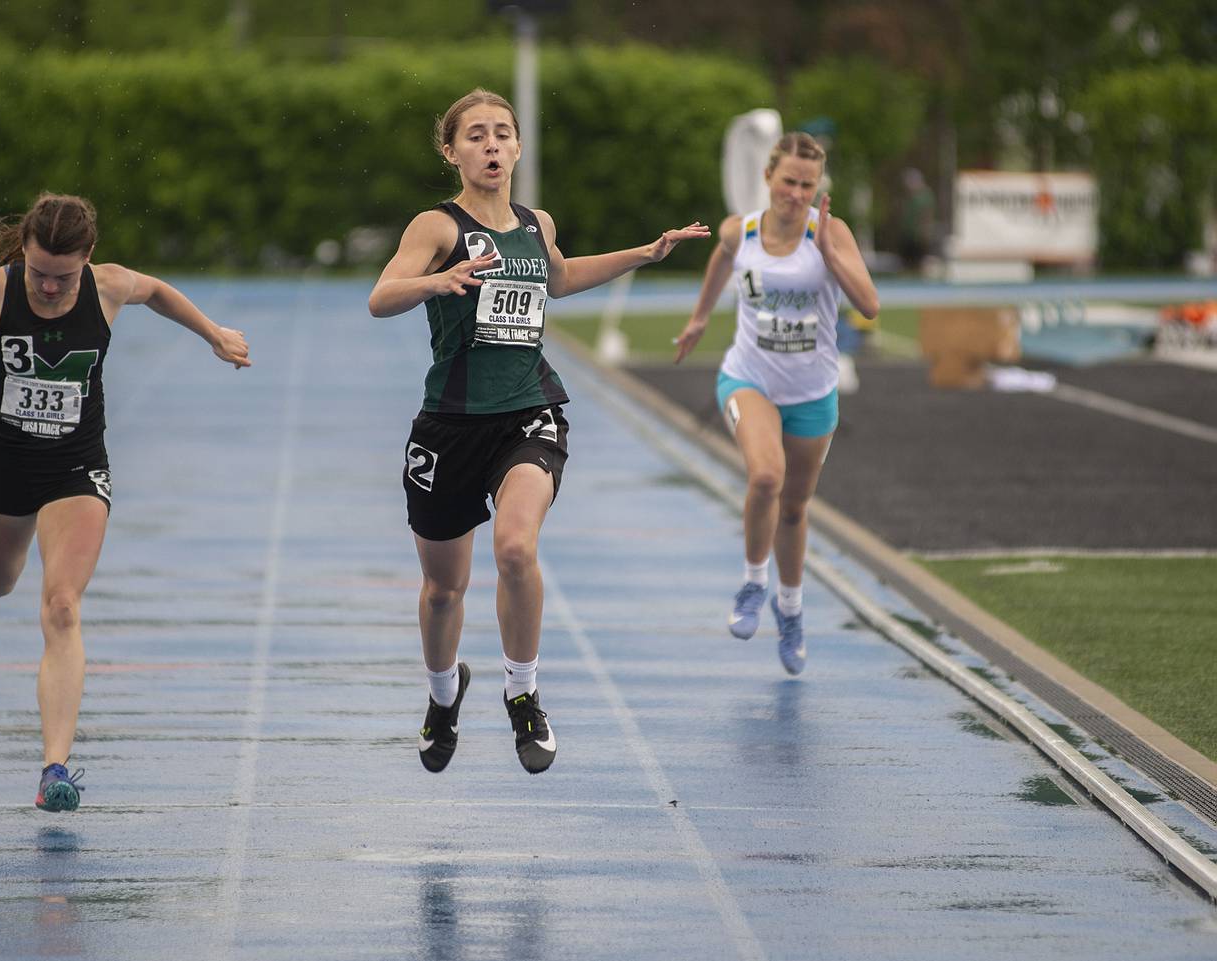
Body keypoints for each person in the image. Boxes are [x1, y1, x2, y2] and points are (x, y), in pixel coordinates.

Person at [369, 89, 708, 774]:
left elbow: (558, 277)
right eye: (476, 136)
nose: (491, 146)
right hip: (450, 426)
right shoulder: (436, 227)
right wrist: (439, 283)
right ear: (452, 151)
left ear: (519, 147)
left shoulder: (535, 222)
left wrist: (644, 253)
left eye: (502, 134)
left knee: (516, 546)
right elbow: (381, 297)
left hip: (529, 410)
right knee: (443, 589)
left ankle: (523, 693)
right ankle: (442, 696)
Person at [0, 193, 250, 810]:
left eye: (63, 277)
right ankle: (19, 548)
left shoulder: (109, 287)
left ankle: (54, 769)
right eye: (38, 272)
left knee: (62, 605)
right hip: (4, 467)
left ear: (87, 261)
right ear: (25, 255)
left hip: (76, 467)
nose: (47, 287)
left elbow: (160, 293)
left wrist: (213, 334)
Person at [673, 133, 879, 675]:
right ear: (769, 178)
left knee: (794, 506)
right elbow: (721, 260)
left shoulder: (828, 232)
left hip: (812, 392)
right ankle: (753, 583)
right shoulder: (738, 230)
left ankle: (790, 610)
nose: (796, 193)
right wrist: (699, 318)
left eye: (808, 185)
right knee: (766, 477)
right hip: (748, 378)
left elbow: (870, 305)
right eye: (788, 181)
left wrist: (831, 255)